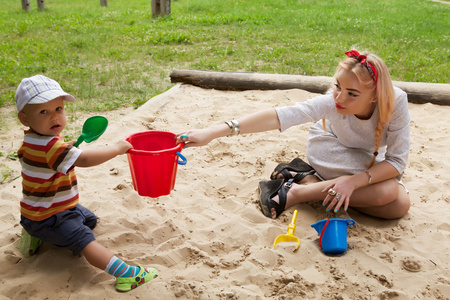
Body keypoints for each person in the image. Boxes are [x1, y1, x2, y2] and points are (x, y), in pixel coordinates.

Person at [176, 50, 411, 220]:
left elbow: (397, 162)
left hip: (363, 158)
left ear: (374, 96)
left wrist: (352, 182)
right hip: (330, 148)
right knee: (388, 192)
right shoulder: (332, 102)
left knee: (396, 207)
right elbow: (281, 115)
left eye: (352, 94)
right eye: (338, 86)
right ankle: (295, 193)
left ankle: (305, 181)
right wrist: (213, 132)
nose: (339, 98)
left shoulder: (396, 101)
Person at [15, 75, 158, 292]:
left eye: (59, 109)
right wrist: (118, 149)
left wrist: (67, 147)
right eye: (44, 112)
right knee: (85, 238)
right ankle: (127, 275)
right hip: (51, 218)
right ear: (24, 119)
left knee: (88, 219)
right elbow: (84, 160)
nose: (54, 116)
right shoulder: (51, 147)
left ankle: (34, 232)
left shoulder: (33, 140)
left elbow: (51, 158)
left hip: (36, 212)